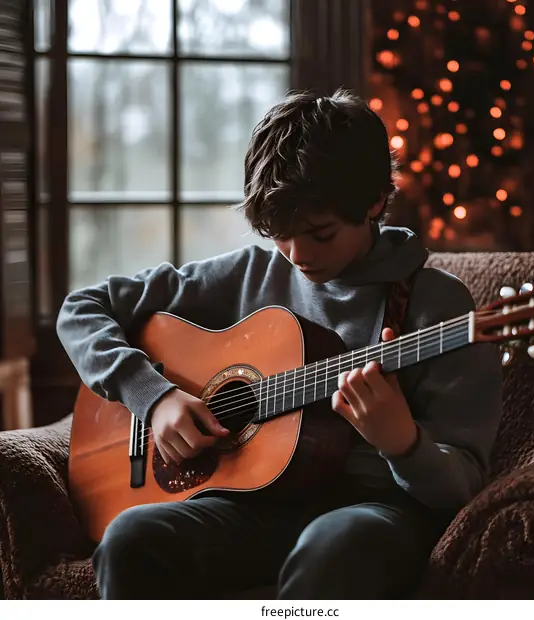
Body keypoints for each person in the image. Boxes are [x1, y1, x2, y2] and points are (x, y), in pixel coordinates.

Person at [56, 88, 503, 600]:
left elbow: (462, 487)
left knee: (332, 550)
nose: (297, 255)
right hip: (252, 505)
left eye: (319, 233)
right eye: (279, 234)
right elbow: (83, 308)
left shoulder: (439, 306)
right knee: (131, 539)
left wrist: (402, 441)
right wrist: (153, 396)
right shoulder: (250, 274)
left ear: (375, 200)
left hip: (373, 512)